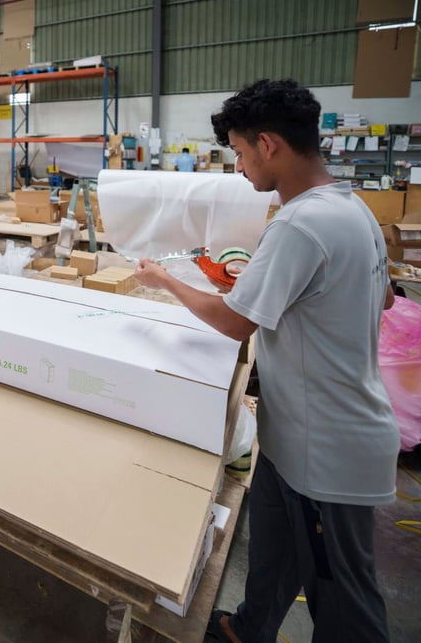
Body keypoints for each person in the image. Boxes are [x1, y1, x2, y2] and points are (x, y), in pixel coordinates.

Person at [133, 80, 397, 643]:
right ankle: (247, 631)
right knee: (275, 556)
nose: (240, 166)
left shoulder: (301, 223)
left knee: (342, 595)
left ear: (269, 145)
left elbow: (235, 320)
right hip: (294, 432)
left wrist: (163, 280)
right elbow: (388, 297)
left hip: (326, 447)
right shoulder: (351, 209)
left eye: (240, 151)